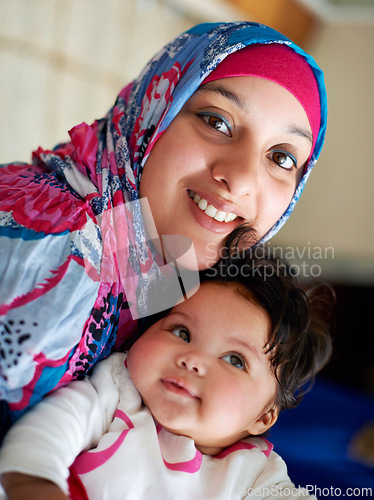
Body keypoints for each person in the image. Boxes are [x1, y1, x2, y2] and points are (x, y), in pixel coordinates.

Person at [0, 21, 328, 433]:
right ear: (154, 113)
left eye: (281, 157)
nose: (242, 178)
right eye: (217, 121)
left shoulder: (165, 275)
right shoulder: (57, 247)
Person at [0, 257, 333, 500]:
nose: (193, 360)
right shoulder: (116, 392)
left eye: (234, 360)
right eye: (182, 332)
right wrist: (34, 484)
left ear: (263, 416)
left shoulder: (257, 476)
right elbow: (49, 432)